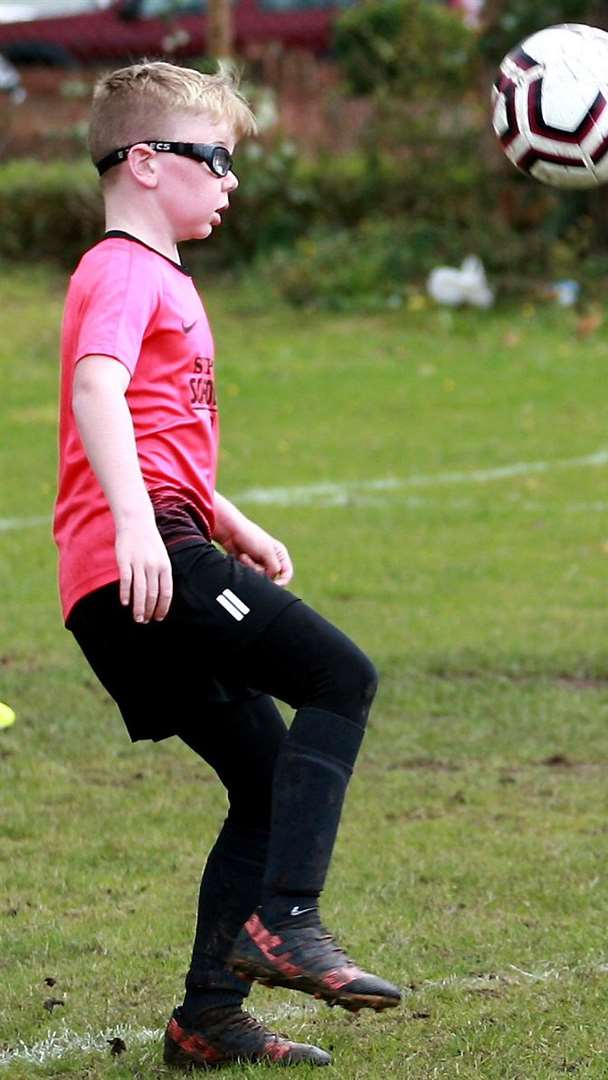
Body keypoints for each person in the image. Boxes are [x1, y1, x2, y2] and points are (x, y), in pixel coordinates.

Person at [54, 62, 402, 1069]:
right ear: (149, 163)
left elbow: (161, 433)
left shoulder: (159, 277)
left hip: (148, 548)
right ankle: (286, 922)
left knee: (260, 776)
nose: (231, 181)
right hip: (148, 556)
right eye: (217, 160)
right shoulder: (122, 268)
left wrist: (228, 517)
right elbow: (96, 392)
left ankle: (207, 1018)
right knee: (343, 677)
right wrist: (139, 527)